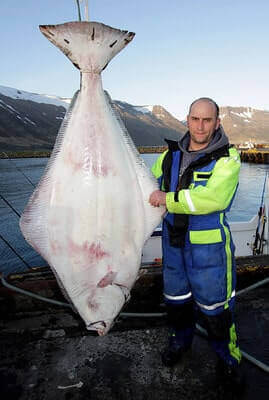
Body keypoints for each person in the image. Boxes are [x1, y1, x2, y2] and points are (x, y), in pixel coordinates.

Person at [149, 97, 244, 393]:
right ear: (187, 120)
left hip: (210, 251)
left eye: (207, 120)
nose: (200, 126)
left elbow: (215, 199)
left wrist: (168, 199)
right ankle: (180, 342)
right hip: (173, 246)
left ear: (217, 123)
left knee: (216, 309)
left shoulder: (228, 158)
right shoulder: (168, 155)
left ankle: (227, 357)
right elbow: (147, 183)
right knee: (176, 302)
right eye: (195, 119)